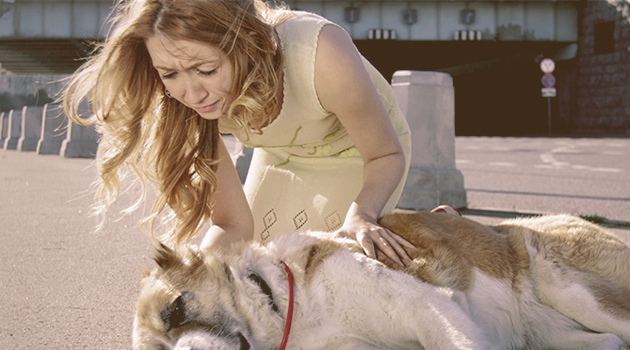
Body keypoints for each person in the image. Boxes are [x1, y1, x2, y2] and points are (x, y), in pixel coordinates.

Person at [62, 0, 415, 265]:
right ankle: (425, 224)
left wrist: (364, 214)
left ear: (245, 43)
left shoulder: (321, 52)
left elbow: (384, 154)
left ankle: (438, 230)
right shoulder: (181, 102)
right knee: (254, 266)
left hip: (364, 155)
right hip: (282, 156)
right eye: (170, 74)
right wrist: (185, 287)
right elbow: (232, 224)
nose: (192, 93)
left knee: (331, 271)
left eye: (206, 69)